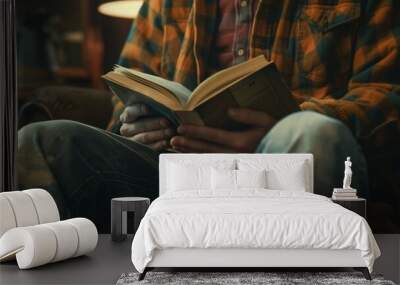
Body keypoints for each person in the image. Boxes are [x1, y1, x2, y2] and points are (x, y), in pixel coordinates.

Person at [17, 0, 400, 232]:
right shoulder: (167, 5)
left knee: (309, 134)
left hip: (288, 165)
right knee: (43, 139)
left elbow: (389, 95)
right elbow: (128, 84)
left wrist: (285, 124)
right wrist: (136, 123)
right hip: (180, 172)